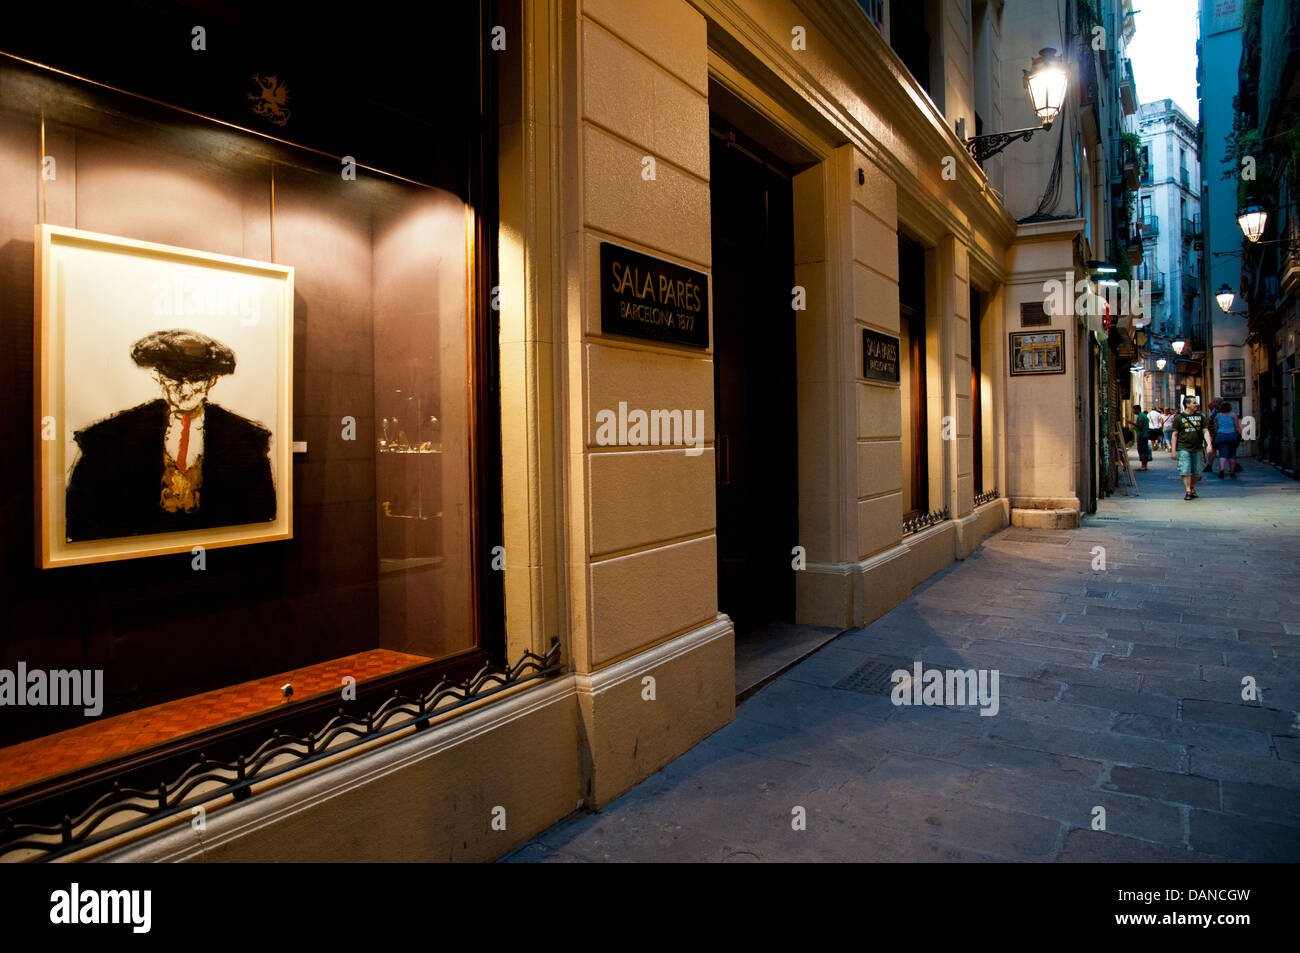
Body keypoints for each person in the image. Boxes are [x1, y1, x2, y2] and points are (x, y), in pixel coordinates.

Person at [65, 328, 277, 542]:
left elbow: (259, 511)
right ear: (158, 377)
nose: (184, 391)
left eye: (195, 380)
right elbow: (83, 515)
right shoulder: (109, 438)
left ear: (212, 380)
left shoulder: (246, 438)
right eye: (175, 379)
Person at [1171, 395, 1210, 500]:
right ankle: (1188, 490)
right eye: (1193, 402)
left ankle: (1191, 486)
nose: (1196, 404)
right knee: (1185, 469)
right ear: (1187, 404)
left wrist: (1209, 444)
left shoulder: (1201, 417)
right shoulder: (1179, 418)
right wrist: (1173, 450)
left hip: (1197, 448)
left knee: (1198, 471)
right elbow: (1174, 434)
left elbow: (1205, 431)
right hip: (1183, 447)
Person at [1210, 398, 1242, 479]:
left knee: (1222, 454)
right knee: (1232, 454)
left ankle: (1221, 470)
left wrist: (1219, 432)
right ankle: (1232, 472)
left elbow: (1215, 428)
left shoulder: (1217, 416)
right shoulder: (1233, 415)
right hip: (1232, 435)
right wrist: (1240, 435)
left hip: (1221, 436)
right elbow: (1237, 427)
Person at [1133, 405, 1150, 470]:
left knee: (1142, 451)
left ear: (1137, 409)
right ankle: (1144, 466)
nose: (1133, 411)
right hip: (1145, 435)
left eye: (1133, 410)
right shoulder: (1144, 415)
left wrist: (1132, 423)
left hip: (1142, 436)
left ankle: (1143, 466)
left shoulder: (1140, 416)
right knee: (1144, 451)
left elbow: (1140, 426)